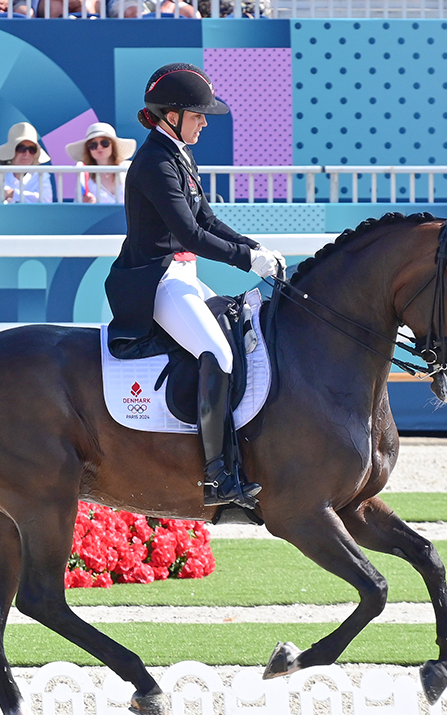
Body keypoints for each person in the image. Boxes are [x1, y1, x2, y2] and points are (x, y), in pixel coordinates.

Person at [105, 63, 284, 511]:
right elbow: (190, 235)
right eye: (199, 115)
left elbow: (207, 219)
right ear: (171, 115)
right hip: (157, 279)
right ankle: (217, 475)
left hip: (181, 274)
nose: (205, 121)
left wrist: (253, 245)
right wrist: (247, 261)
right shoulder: (153, 162)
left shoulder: (178, 155)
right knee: (218, 354)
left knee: (239, 338)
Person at [65, 122, 136, 204]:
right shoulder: (85, 175)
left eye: (104, 143)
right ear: (88, 150)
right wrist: (86, 204)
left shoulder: (128, 167)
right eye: (93, 144)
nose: (99, 147)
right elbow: (77, 208)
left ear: (113, 145)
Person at [0, 122, 53, 204]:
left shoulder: (41, 175)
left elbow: (46, 201)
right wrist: (30, 198)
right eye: (21, 148)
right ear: (11, 151)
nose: (27, 154)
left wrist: (12, 194)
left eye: (32, 149)